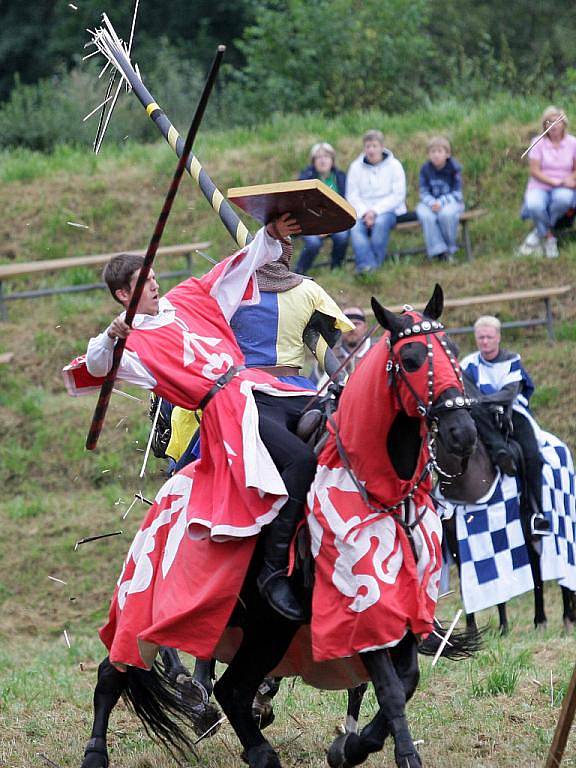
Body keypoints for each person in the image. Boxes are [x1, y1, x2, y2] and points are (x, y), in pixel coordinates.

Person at [63, 215, 319, 623]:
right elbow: (93, 366)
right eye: (144, 282)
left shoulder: (191, 296)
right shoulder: (132, 346)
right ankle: (273, 570)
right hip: (226, 412)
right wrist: (111, 336)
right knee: (302, 461)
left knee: (329, 415)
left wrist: (269, 236)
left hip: (256, 386)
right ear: (122, 294)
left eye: (153, 277)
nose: (154, 285)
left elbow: (237, 266)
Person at [460, 315, 545, 526]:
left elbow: (508, 394)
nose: (485, 342)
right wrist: (478, 404)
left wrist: (480, 401)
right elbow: (464, 394)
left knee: (533, 456)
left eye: (489, 337)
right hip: (481, 417)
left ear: (498, 337)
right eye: (481, 338)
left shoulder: (511, 361)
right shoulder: (468, 364)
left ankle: (535, 512)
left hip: (512, 413)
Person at [346, 129, 407, 273]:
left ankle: (371, 267)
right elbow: (352, 195)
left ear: (381, 147)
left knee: (380, 224)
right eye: (368, 146)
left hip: (388, 211)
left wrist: (375, 211)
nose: (371, 150)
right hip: (362, 212)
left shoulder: (395, 165)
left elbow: (398, 195)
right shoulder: (355, 167)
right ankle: (368, 266)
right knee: (355, 229)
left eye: (374, 146)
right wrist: (365, 213)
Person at [519, 106, 576, 259]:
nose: (553, 125)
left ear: (564, 123)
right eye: (548, 122)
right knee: (534, 205)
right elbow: (534, 170)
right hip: (540, 185)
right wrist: (554, 182)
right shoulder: (537, 142)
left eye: (556, 121)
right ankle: (549, 238)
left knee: (563, 200)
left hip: (564, 186)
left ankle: (539, 233)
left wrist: (569, 179)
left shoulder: (573, 143)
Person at [295, 142, 349, 273]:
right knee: (313, 243)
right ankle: (299, 272)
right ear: (313, 161)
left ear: (332, 160)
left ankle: (336, 268)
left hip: (335, 221)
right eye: (318, 157)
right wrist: (317, 226)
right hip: (310, 223)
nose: (323, 160)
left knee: (342, 237)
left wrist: (331, 225)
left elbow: (346, 203)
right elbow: (301, 206)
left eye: (326, 156)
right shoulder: (305, 178)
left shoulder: (341, 178)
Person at [416, 136, 464, 262]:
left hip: (450, 202)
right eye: (433, 152)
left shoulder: (454, 168)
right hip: (429, 203)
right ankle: (438, 251)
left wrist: (441, 202)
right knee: (426, 215)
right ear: (428, 154)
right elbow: (423, 192)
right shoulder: (425, 169)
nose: (436, 155)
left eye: (439, 151)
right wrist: (432, 203)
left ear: (447, 154)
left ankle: (449, 248)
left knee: (446, 214)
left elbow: (457, 193)